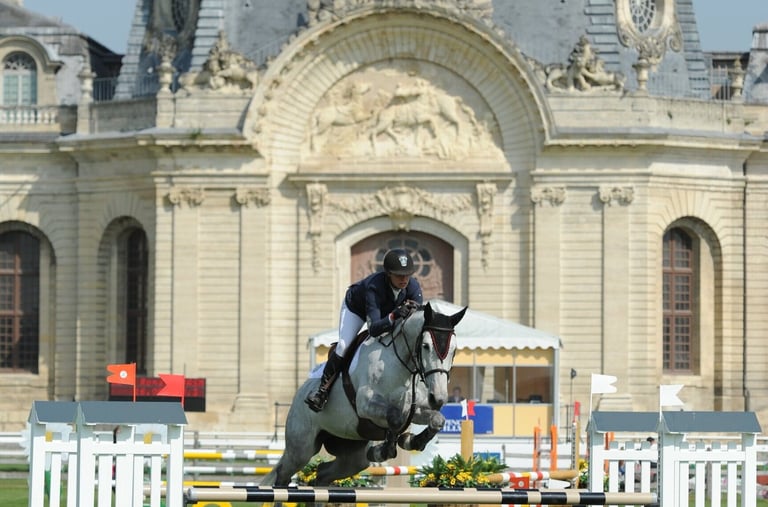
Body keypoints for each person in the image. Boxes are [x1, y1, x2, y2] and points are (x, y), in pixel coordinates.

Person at [305, 248, 423, 412]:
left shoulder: (413, 286)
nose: (404, 279)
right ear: (388, 274)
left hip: (386, 311)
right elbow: (374, 329)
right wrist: (393, 316)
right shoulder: (374, 287)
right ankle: (322, 391)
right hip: (356, 310)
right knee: (344, 346)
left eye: (407, 275)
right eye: (399, 275)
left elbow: (416, 320)